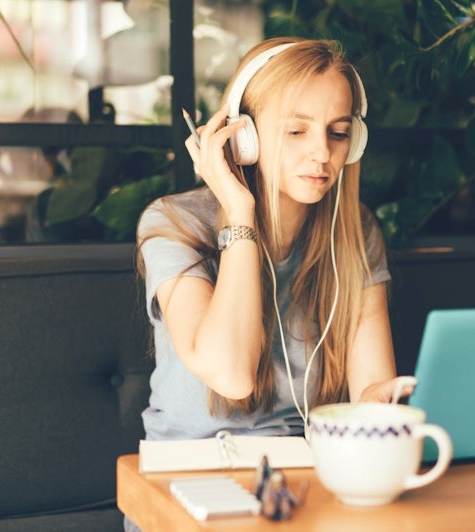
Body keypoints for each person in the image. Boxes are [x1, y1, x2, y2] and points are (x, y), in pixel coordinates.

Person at [135, 36, 414, 445]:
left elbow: (371, 386)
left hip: (304, 465)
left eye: (337, 133)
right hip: (191, 468)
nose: (322, 153)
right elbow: (231, 375)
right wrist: (239, 214)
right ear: (243, 137)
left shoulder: (354, 231)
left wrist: (377, 403)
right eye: (297, 131)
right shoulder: (173, 224)